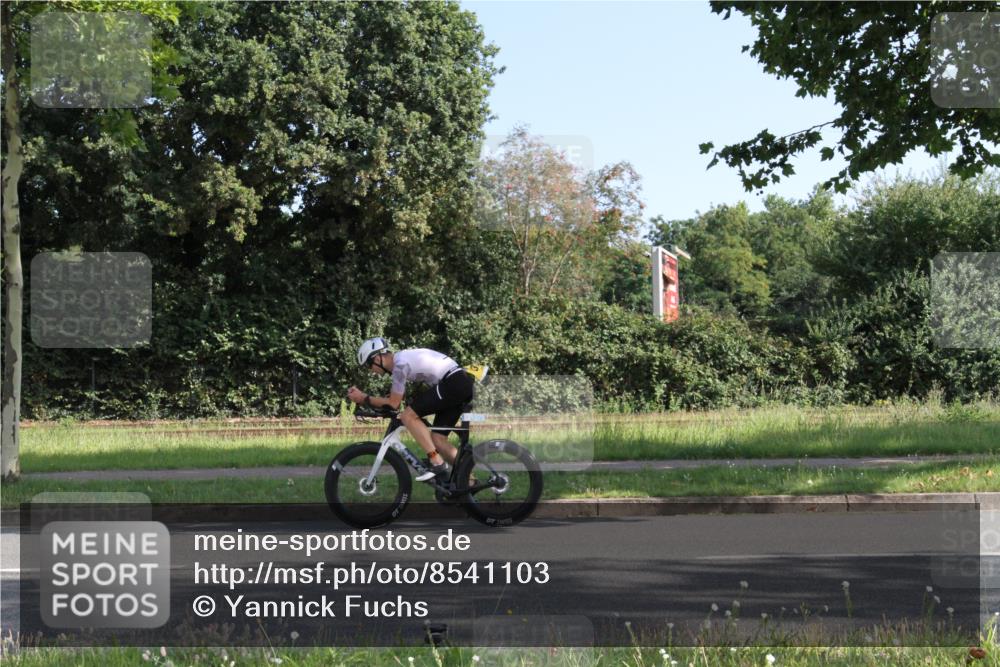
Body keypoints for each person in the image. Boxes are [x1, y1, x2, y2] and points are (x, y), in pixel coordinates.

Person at [347, 337, 474, 483]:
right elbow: (396, 400)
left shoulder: (400, 365)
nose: (371, 371)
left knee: (408, 416)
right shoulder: (401, 362)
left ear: (377, 358)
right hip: (457, 382)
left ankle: (437, 462)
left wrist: (363, 398)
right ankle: (469, 483)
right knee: (438, 439)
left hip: (454, 382)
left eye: (369, 365)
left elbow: (394, 404)